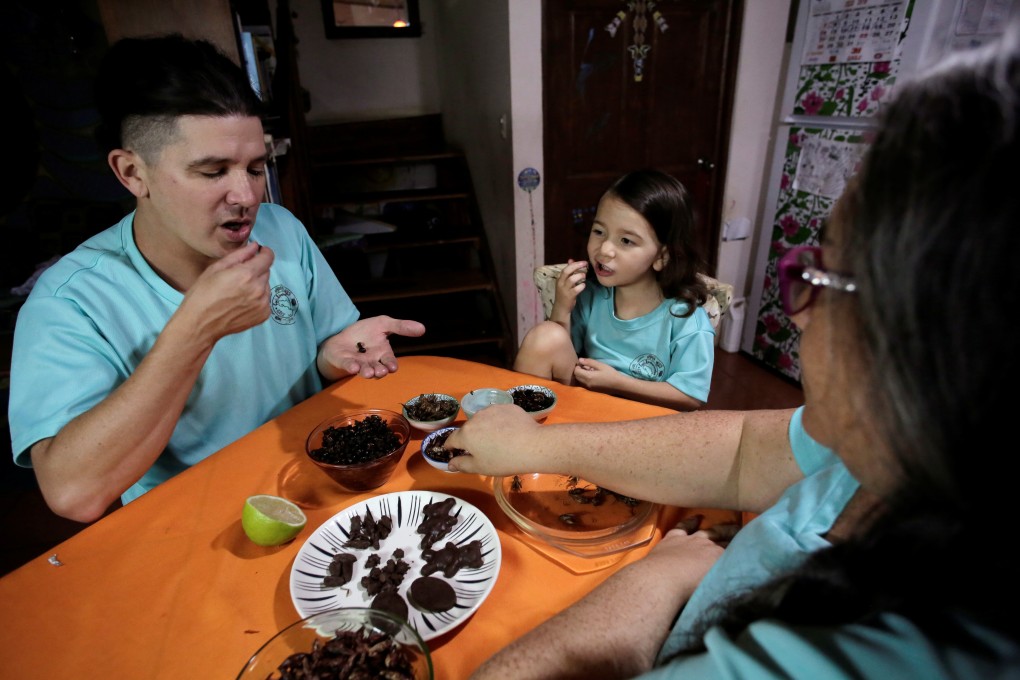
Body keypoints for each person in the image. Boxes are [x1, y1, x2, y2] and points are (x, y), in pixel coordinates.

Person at [447, 22, 1020, 679]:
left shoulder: (853, 653)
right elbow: (748, 449)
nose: (799, 316)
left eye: (821, 275)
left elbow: (691, 401)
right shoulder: (899, 444)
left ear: (937, 345)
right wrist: (540, 443)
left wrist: (659, 577)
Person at [7, 35, 425, 523]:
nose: (246, 194)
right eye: (212, 172)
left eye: (254, 167)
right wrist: (197, 328)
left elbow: (328, 351)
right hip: (193, 525)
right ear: (131, 173)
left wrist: (334, 358)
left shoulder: (281, 230)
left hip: (317, 492)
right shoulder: (70, 301)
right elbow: (74, 492)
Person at [514, 170, 715, 411]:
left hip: (643, 425)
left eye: (626, 241)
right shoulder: (592, 294)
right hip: (586, 405)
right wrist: (563, 307)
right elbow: (562, 353)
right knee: (545, 335)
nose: (604, 249)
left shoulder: (685, 318)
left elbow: (690, 397)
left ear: (662, 256)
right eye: (599, 232)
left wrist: (618, 383)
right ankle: (517, 429)